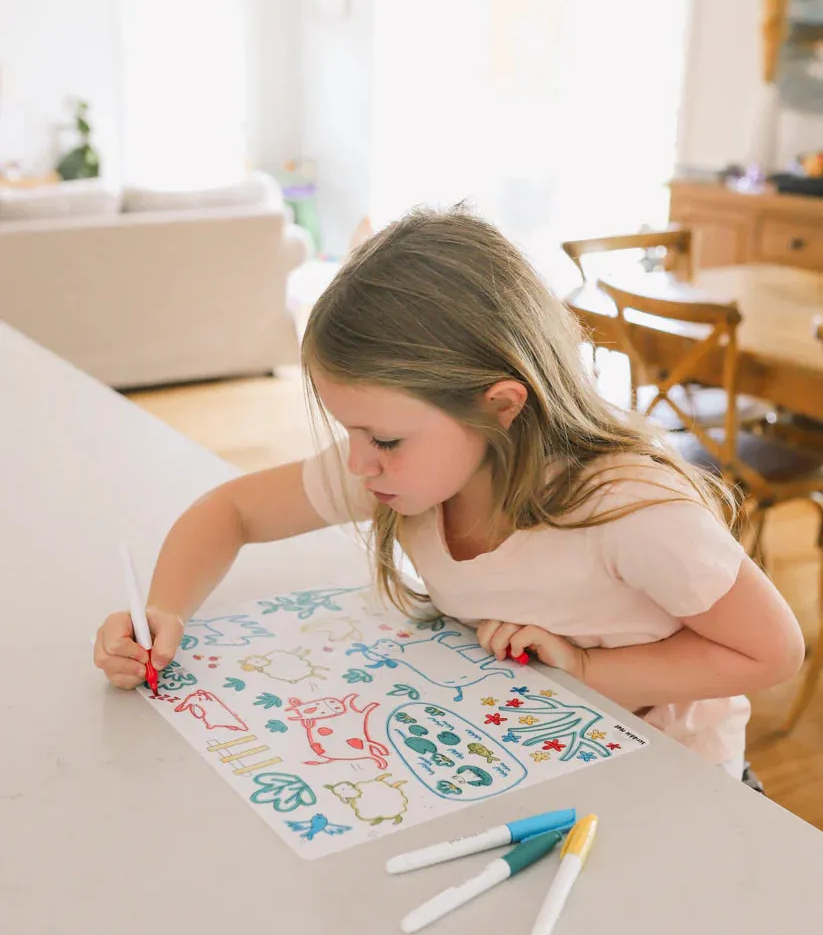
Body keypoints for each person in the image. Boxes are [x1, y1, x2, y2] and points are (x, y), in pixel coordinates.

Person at [93, 208, 804, 779]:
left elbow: (772, 651)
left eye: (384, 439)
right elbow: (232, 510)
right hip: (547, 749)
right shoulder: (405, 468)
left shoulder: (629, 512)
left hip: (676, 777)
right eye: (352, 433)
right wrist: (163, 610)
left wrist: (587, 668)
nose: (360, 464)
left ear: (499, 406)